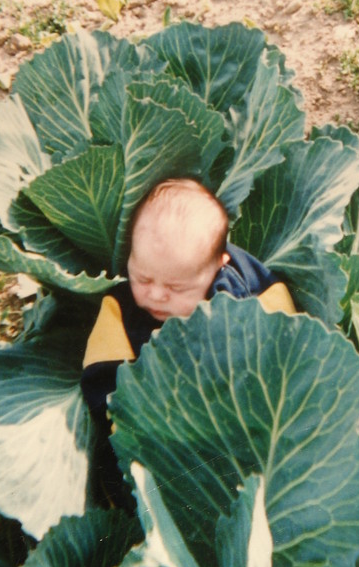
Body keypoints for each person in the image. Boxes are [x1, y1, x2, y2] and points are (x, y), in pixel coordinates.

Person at [81, 177, 297, 510]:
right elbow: (103, 382)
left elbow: (282, 332)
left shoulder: (242, 292)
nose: (155, 294)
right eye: (142, 277)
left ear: (218, 265)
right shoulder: (120, 312)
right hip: (161, 440)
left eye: (176, 288)